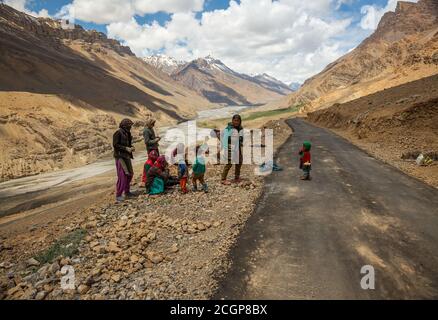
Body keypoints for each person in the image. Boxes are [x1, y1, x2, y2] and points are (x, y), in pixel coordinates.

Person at [113, 118, 135, 202]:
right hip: (120, 156)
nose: (130, 127)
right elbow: (115, 145)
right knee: (122, 175)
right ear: (124, 126)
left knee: (130, 174)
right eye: (129, 126)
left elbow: (129, 143)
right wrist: (126, 148)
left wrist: (131, 147)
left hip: (127, 156)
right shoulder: (118, 133)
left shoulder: (128, 133)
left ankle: (127, 191)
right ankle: (118, 195)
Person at [221, 114, 244, 185]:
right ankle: (223, 179)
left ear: (240, 121)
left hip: (237, 147)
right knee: (229, 163)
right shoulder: (229, 128)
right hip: (230, 147)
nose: (236, 122)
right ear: (232, 120)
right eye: (235, 120)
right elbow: (225, 138)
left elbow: (241, 138)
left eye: (238, 121)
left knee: (239, 161)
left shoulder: (240, 128)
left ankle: (237, 177)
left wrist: (239, 138)